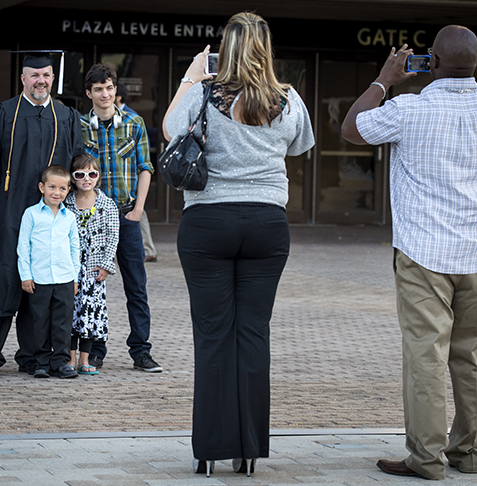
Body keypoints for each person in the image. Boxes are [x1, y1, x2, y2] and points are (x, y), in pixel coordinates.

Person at [341, 26, 477, 480]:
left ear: (432, 63)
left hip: (425, 252)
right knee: (472, 355)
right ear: (476, 62)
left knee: (426, 355)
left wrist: (385, 79)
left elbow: (352, 128)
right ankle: (468, 454)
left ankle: (426, 459)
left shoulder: (408, 109)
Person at [162, 12, 314, 477]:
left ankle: (208, 449)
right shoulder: (287, 99)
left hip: (207, 221)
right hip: (267, 223)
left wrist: (191, 75)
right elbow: (298, 147)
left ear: (223, 51)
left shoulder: (205, 93)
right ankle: (248, 450)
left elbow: (171, 130)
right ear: (266, 50)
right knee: (253, 334)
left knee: (212, 336)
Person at [0, 53, 84, 376]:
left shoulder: (66, 116)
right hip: (7, 211)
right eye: (34, 75)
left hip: (51, 213)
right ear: (22, 78)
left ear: (54, 78)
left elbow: (77, 163)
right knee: (3, 278)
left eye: (47, 75)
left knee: (41, 285)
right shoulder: (1, 113)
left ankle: (32, 357)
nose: (41, 81)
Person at [81, 63, 162, 373]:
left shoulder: (133, 122)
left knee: (136, 286)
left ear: (116, 90)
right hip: (94, 217)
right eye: (99, 89)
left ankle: (141, 351)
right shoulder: (80, 126)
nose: (105, 94)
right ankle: (95, 349)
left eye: (110, 88)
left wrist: (138, 209)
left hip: (127, 214)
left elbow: (146, 167)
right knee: (92, 286)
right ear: (89, 93)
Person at [17, 165, 81, 379]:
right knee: (41, 322)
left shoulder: (69, 218)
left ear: (68, 190)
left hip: (64, 278)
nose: (57, 192)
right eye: (52, 187)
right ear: (42, 187)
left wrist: (74, 277)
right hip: (40, 279)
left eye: (63, 188)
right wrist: (25, 275)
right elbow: (23, 246)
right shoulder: (31, 214)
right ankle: (42, 362)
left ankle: (61, 362)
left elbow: (75, 248)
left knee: (62, 323)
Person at [63, 154, 119, 375]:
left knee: (90, 315)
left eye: (92, 174)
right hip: (70, 268)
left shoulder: (107, 204)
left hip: (94, 271)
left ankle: (85, 359)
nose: (87, 179)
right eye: (80, 175)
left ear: (98, 176)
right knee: (69, 313)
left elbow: (113, 237)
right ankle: (69, 358)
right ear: (73, 178)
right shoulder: (66, 203)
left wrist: (106, 265)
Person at [114, 84, 157, 263]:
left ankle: (148, 249)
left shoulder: (132, 118)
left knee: (140, 212)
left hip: (130, 186)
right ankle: (148, 248)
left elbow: (143, 162)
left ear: (119, 97)